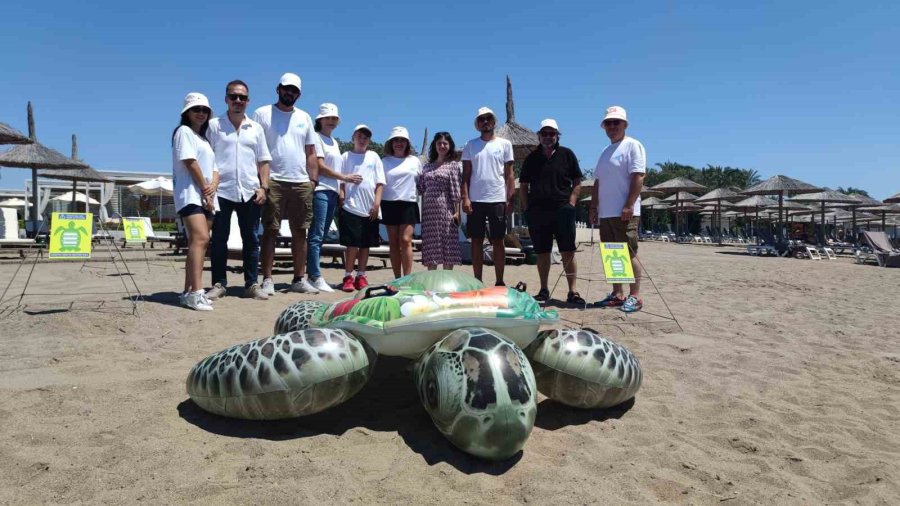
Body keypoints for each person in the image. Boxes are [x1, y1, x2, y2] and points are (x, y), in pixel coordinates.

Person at [252, 72, 321, 295]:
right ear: (278, 89)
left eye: (293, 90)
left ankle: (299, 278)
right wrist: (260, 181)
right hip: (272, 180)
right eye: (286, 88)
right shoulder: (262, 113)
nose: (289, 92)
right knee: (270, 231)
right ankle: (268, 279)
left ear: (298, 94)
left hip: (301, 181)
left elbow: (311, 151)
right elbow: (253, 147)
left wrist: (313, 180)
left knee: (301, 232)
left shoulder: (305, 118)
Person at [205, 80, 272, 301]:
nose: (238, 101)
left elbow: (263, 161)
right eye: (233, 96)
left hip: (250, 191)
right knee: (219, 239)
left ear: (248, 101)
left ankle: (251, 284)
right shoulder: (214, 126)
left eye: (242, 97)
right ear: (226, 99)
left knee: (251, 239)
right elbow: (206, 157)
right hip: (221, 191)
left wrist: (264, 187)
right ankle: (219, 283)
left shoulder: (256, 128)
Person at [519, 119, 584, 305]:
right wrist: (526, 207)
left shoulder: (567, 154)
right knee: (542, 252)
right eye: (544, 134)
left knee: (568, 251)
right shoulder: (532, 158)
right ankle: (544, 290)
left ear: (557, 136)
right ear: (539, 136)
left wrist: (571, 202)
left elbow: (577, 181)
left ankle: (573, 291)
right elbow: (523, 185)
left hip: (563, 210)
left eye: (552, 134)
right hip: (538, 212)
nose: (548, 137)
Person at [589, 106, 646, 313]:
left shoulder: (633, 145)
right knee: (613, 255)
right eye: (608, 123)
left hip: (625, 211)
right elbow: (598, 182)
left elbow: (638, 176)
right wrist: (594, 206)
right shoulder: (605, 152)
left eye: (616, 122)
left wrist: (629, 204)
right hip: (606, 212)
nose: (612, 126)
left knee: (629, 253)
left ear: (625, 125)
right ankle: (617, 294)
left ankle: (635, 296)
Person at [306, 103, 363, 292]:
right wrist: (344, 179)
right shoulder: (316, 138)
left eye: (334, 119)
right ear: (320, 120)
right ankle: (314, 275)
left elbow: (335, 168)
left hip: (331, 191)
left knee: (321, 235)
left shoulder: (334, 142)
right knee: (316, 234)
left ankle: (314, 274)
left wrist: (340, 190)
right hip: (320, 189)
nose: (331, 121)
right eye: (328, 118)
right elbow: (320, 166)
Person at [172, 92, 218, 311]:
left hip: (207, 197)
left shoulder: (205, 140)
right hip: (191, 194)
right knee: (200, 239)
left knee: (199, 243)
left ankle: (189, 291)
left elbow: (215, 169)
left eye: (204, 110)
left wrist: (212, 189)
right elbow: (190, 162)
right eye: (196, 109)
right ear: (187, 112)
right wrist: (205, 188)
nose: (201, 113)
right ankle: (196, 292)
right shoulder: (183, 132)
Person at [461, 107, 514, 286]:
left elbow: (510, 175)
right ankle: (478, 281)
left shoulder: (505, 144)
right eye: (481, 119)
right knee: (476, 241)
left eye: (488, 119)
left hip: (497, 198)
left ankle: (500, 281)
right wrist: (465, 198)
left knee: (498, 240)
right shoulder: (470, 145)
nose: (485, 122)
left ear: (494, 122)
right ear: (477, 124)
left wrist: (509, 198)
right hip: (475, 200)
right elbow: (466, 175)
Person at [339, 125, 385, 292]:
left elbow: (380, 182)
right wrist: (342, 196)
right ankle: (348, 276)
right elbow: (341, 180)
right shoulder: (345, 156)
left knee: (365, 245)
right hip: (351, 207)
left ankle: (361, 275)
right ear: (353, 137)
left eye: (366, 136)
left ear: (369, 140)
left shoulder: (374, 156)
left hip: (370, 209)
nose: (362, 139)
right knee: (351, 245)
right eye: (359, 136)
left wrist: (377, 203)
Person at [381, 126, 422, 278]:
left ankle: (408, 277)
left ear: (407, 143)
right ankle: (397, 278)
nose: (399, 143)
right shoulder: (384, 161)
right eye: (396, 140)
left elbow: (421, 182)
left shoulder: (415, 161)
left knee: (406, 240)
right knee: (393, 242)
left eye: (402, 140)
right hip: (389, 203)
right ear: (391, 143)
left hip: (408, 203)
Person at [418, 132, 462, 270]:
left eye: (445, 143)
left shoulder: (453, 166)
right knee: (431, 245)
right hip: (429, 211)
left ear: (450, 146)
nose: (442, 146)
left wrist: (457, 212)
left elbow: (456, 191)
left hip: (446, 209)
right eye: (439, 143)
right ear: (434, 145)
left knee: (448, 244)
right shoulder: (427, 167)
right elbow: (421, 189)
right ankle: (432, 281)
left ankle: (447, 280)